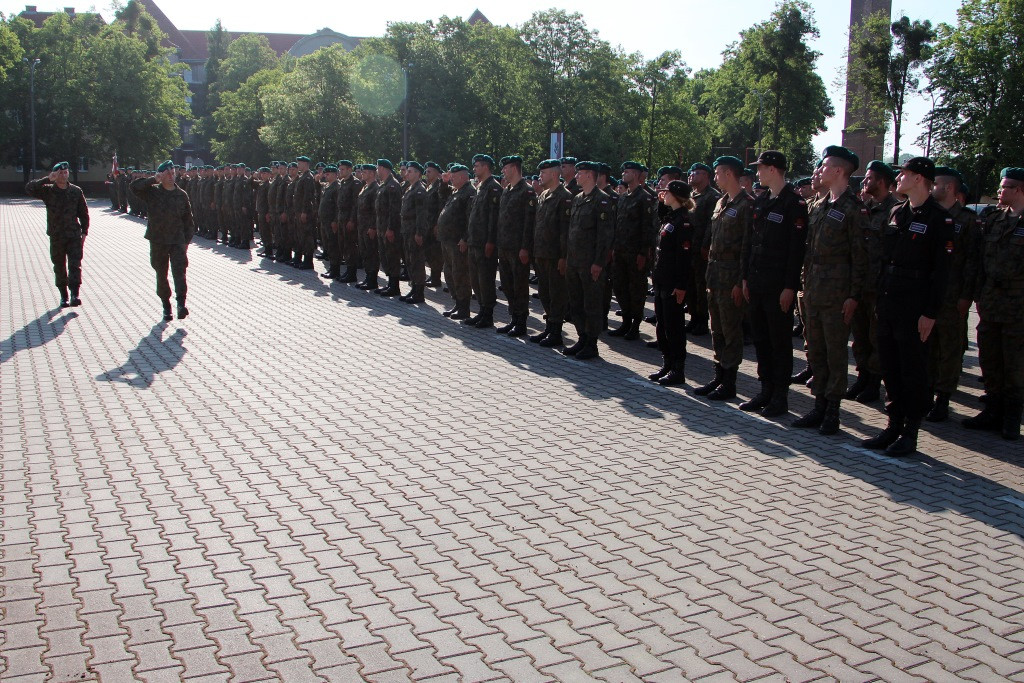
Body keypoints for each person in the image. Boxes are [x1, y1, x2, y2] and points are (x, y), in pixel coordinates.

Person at [862, 157, 953, 456]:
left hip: (915, 305)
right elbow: (885, 260)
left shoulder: (939, 219)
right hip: (890, 300)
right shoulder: (897, 212)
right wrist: (880, 299)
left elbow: (942, 272)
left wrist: (930, 312)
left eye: (904, 173)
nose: (898, 178)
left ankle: (910, 432)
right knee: (890, 366)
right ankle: (893, 425)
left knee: (912, 370)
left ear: (918, 179)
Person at [791, 146, 868, 435]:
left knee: (835, 353)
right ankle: (819, 405)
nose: (819, 171)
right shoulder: (818, 205)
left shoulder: (854, 208)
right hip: (813, 289)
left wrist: (853, 296)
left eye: (824, 166)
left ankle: (833, 410)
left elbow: (860, 257)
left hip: (837, 293)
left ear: (838, 171)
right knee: (816, 350)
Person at [740, 150, 808, 417]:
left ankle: (780, 396)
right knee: (761, 340)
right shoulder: (762, 200)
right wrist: (746, 277)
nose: (757, 173)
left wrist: (790, 287)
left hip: (778, 285)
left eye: (761, 168)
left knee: (779, 343)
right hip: (757, 281)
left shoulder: (794, 203)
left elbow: (796, 250)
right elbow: (751, 242)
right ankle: (765, 390)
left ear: (773, 170)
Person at [962, 167, 1024, 440]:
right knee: (990, 359)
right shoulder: (994, 219)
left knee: (1015, 363)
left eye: (1005, 187)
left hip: (1018, 305)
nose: (999, 191)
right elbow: (978, 260)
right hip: (991, 302)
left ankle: (1011, 417)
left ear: (1019, 190)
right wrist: (977, 293)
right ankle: (992, 410)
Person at [925, 167, 980, 422]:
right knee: (928, 346)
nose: (931, 187)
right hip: (928, 292)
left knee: (949, 348)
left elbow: (972, 261)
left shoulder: (967, 220)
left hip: (953, 293)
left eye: (935, 183)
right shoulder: (929, 214)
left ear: (948, 188)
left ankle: (943, 398)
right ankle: (926, 393)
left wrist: (966, 295)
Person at [695, 156, 752, 400]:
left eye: (717, 173)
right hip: (715, 274)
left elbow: (747, 247)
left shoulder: (747, 205)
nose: (715, 177)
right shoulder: (721, 202)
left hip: (731, 277)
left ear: (729, 174)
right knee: (716, 328)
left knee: (731, 330)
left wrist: (740, 282)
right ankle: (718, 376)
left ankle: (730, 382)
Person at [848, 160, 899, 403]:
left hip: (879, 287)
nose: (865, 182)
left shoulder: (894, 211)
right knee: (859, 336)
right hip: (860, 283)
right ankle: (862, 376)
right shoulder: (862, 208)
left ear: (881, 181)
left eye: (869, 178)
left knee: (876, 337)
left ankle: (873, 383)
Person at [131, 160, 196, 321]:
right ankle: (166, 305)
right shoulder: (153, 192)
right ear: (161, 175)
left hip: (177, 240)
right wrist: (153, 179)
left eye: (172, 173)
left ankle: (181, 304)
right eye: (167, 174)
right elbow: (134, 187)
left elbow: (188, 221)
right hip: (158, 240)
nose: (171, 177)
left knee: (180, 273)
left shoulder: (181, 195)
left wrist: (186, 242)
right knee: (161, 273)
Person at [563, 161, 614, 360]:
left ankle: (592, 344)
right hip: (574, 261)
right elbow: (572, 231)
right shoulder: (577, 198)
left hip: (590, 263)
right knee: (576, 303)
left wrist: (598, 262)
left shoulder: (602, 200)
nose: (576, 176)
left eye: (580, 173)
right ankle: (582, 338)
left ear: (590, 175)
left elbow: (604, 235)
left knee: (591, 304)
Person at [25, 161, 90, 308]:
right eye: (60, 173)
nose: (63, 175)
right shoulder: (48, 191)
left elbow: (83, 213)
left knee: (75, 265)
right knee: (59, 265)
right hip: (57, 235)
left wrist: (84, 232)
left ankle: (75, 294)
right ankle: (64, 296)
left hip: (73, 235)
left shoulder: (76, 191)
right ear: (55, 174)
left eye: (65, 172)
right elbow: (29, 188)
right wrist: (47, 179)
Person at [649, 181, 694, 385]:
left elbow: (684, 258)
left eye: (667, 193)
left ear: (676, 195)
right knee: (662, 325)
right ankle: (667, 364)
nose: (663, 195)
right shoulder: (671, 217)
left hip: (673, 282)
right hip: (662, 279)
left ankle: (678, 369)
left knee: (674, 327)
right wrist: (660, 203)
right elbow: (660, 218)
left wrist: (681, 285)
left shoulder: (683, 222)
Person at [609, 161, 657, 340]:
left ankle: (635, 325)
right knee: (620, 286)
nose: (623, 174)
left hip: (635, 252)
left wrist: (643, 253)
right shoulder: (623, 197)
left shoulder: (644, 198)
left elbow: (647, 227)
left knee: (636, 289)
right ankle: (626, 322)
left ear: (636, 174)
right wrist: (614, 247)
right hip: (621, 250)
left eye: (627, 172)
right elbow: (617, 225)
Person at [528, 159, 574, 347]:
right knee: (545, 293)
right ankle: (549, 328)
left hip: (555, 255)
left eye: (543, 173)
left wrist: (563, 257)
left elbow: (565, 230)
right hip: (541, 253)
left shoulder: (565, 197)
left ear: (554, 174)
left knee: (557, 295)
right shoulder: (543, 195)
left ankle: (556, 332)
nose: (540, 176)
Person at [495, 155, 536, 336]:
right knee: (507, 285)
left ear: (514, 168)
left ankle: (521, 322)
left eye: (505, 168)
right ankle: (513, 318)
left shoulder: (527, 191)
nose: (503, 171)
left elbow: (529, 222)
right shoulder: (507, 190)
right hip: (504, 246)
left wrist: (525, 247)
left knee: (519, 286)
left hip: (518, 248)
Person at [463, 154, 502, 328]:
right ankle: (481, 310)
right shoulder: (480, 187)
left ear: (485, 167)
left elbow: (494, 218)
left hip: (485, 243)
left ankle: (488, 314)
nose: (474, 169)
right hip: (474, 241)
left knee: (485, 280)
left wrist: (491, 241)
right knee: (476, 280)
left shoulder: (494, 188)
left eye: (477, 166)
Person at [685, 163, 722, 336]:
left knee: (701, 286)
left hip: (700, 249)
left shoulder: (712, 196)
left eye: (697, 173)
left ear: (707, 176)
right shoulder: (691, 196)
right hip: (688, 248)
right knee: (690, 285)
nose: (692, 175)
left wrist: (706, 245)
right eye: (692, 173)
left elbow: (710, 224)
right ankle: (693, 317)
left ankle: (701, 320)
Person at [436, 164, 474, 319]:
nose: (451, 178)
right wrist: (444, 182)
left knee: (460, 274)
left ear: (463, 177)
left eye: (454, 176)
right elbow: (442, 195)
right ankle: (457, 303)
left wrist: (465, 238)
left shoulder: (469, 192)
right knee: (450, 273)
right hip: (448, 240)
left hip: (458, 241)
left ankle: (464, 308)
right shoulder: (456, 191)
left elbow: (470, 219)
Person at [399, 161, 429, 303]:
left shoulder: (419, 190)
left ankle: (419, 293)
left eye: (410, 171)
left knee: (417, 262)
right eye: (407, 171)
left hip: (414, 232)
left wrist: (419, 233)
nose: (407, 173)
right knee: (410, 261)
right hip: (407, 230)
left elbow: (421, 214)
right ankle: (414, 288)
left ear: (418, 174)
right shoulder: (410, 188)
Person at [374, 159, 403, 296]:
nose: (377, 171)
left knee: (392, 256)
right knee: (385, 256)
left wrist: (391, 228)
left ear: (383, 169)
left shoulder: (393, 185)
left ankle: (394, 286)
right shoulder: (384, 185)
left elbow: (394, 210)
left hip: (389, 228)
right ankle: (390, 283)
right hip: (382, 227)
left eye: (378, 168)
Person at [355, 164, 381, 290]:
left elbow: (375, 211)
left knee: (371, 253)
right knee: (365, 252)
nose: (362, 174)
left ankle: (372, 280)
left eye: (364, 172)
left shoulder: (375, 188)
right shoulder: (365, 187)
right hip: (362, 225)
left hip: (369, 226)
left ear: (371, 174)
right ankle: (368, 276)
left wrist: (372, 227)